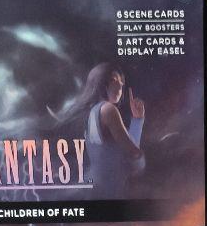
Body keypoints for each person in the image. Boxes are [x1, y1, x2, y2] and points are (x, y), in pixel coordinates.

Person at [55, 63, 145, 196]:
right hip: (109, 190)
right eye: (114, 80)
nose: (120, 85)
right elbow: (133, 153)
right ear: (100, 82)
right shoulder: (108, 110)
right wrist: (140, 162)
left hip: (96, 187)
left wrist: (137, 119)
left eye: (121, 81)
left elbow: (129, 149)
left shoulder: (92, 111)